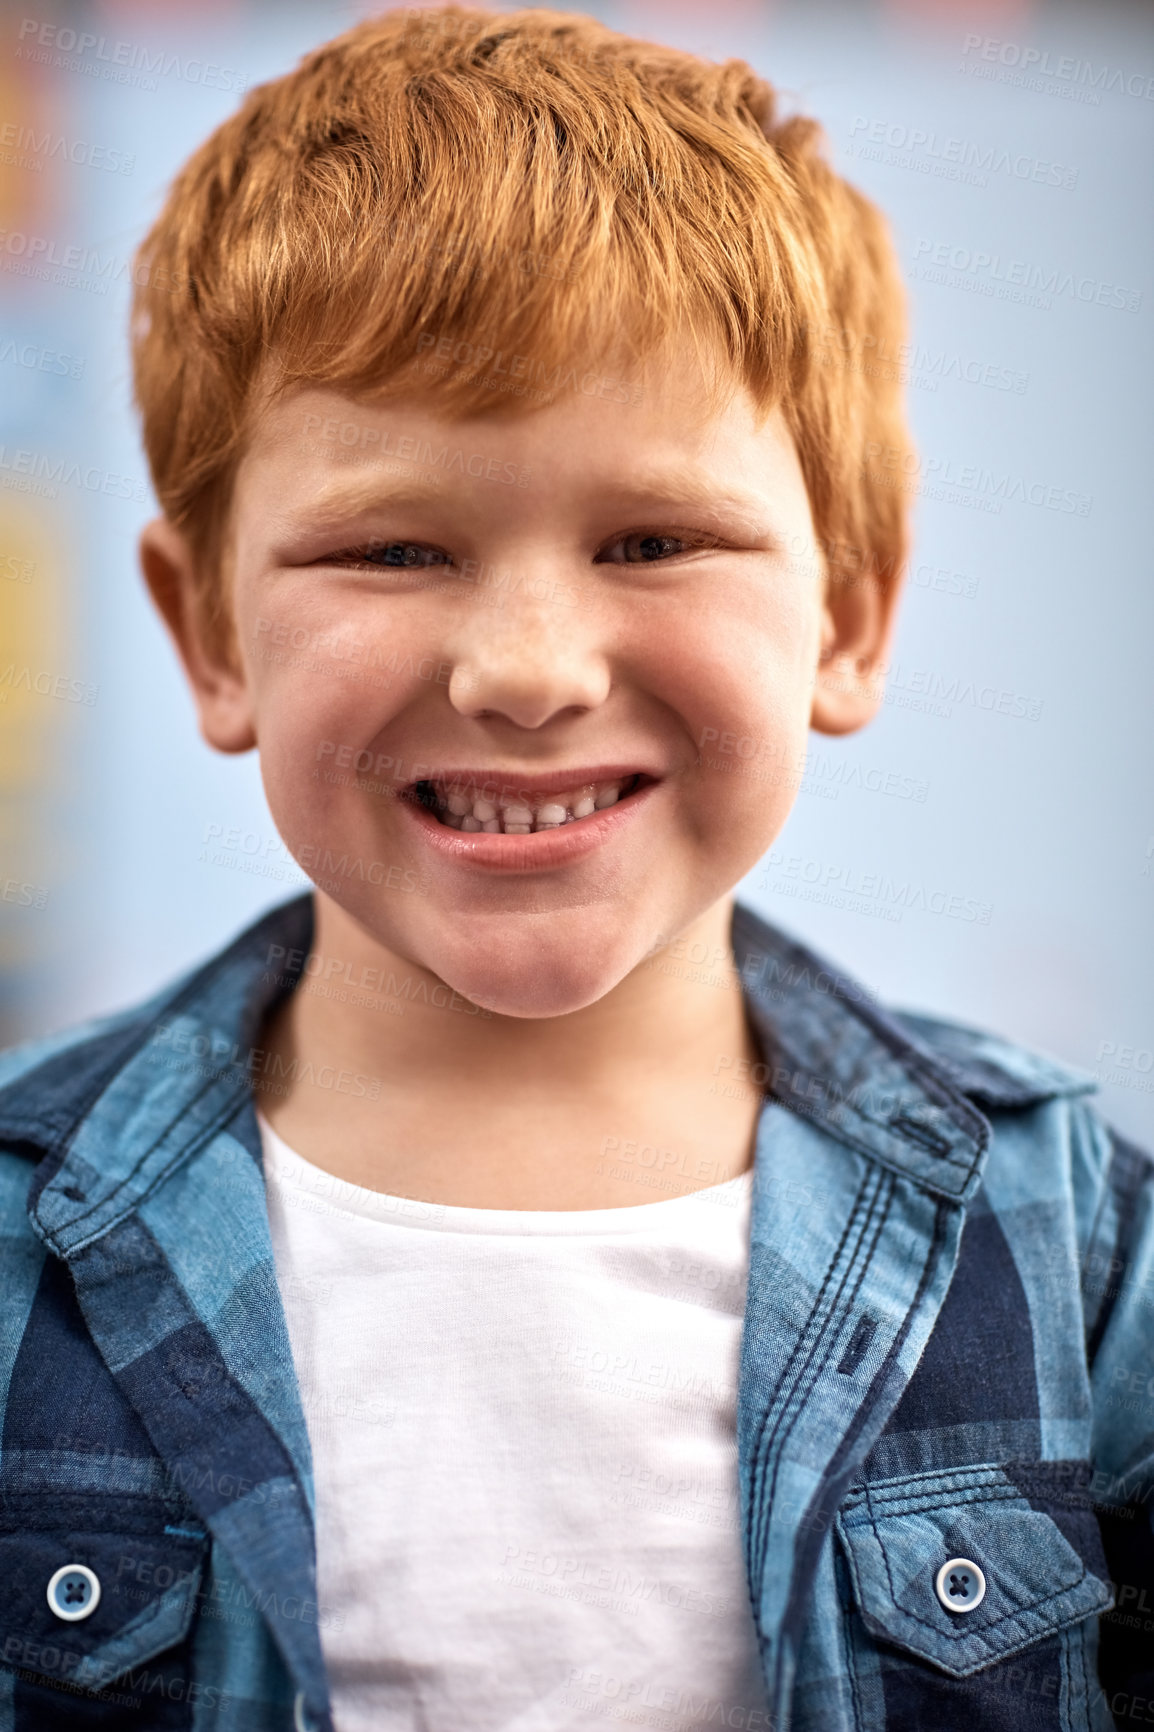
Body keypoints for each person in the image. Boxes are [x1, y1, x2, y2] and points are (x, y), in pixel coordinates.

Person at [0, 7, 1149, 1729]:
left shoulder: (1078, 1256)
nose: (526, 667)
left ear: (845, 614)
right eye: (394, 547)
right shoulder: (21, 1259)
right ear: (208, 634)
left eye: (651, 540)